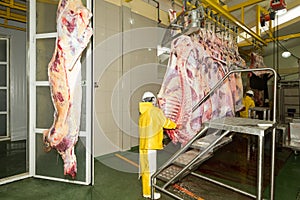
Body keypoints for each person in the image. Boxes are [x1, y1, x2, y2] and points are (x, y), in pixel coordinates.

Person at [139, 91, 177, 199]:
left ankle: (146, 192)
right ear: (153, 100)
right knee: (151, 171)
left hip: (144, 145)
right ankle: (150, 193)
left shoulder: (143, 113)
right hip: (151, 145)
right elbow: (165, 122)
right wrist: (176, 125)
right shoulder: (155, 111)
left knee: (146, 170)